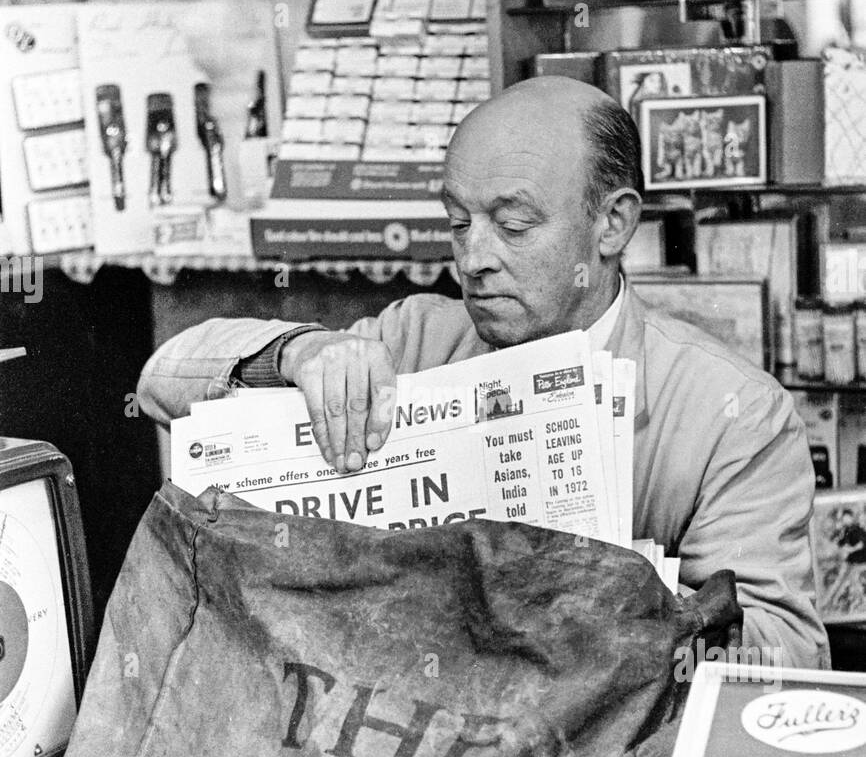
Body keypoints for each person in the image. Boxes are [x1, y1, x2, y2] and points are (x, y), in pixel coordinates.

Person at [138, 76, 829, 669]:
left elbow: (786, 653)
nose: (474, 258)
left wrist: (625, 608)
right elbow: (162, 382)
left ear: (612, 226)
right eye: (458, 223)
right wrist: (300, 354)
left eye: (514, 225)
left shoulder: (731, 414)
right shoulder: (415, 340)